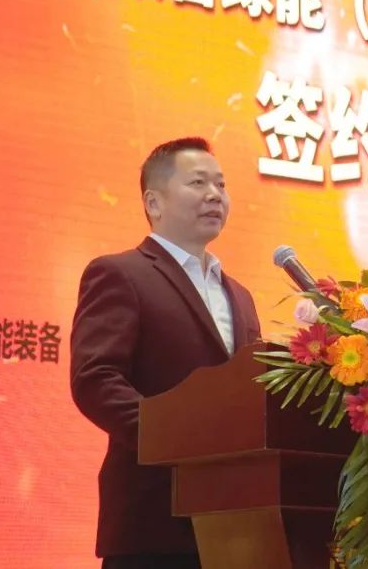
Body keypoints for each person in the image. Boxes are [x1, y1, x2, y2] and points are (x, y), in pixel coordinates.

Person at [70, 137, 261, 569]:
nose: (215, 195)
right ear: (153, 202)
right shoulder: (120, 273)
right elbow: (96, 380)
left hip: (236, 527)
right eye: (198, 183)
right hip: (153, 524)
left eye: (221, 185)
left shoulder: (240, 295)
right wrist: (179, 442)